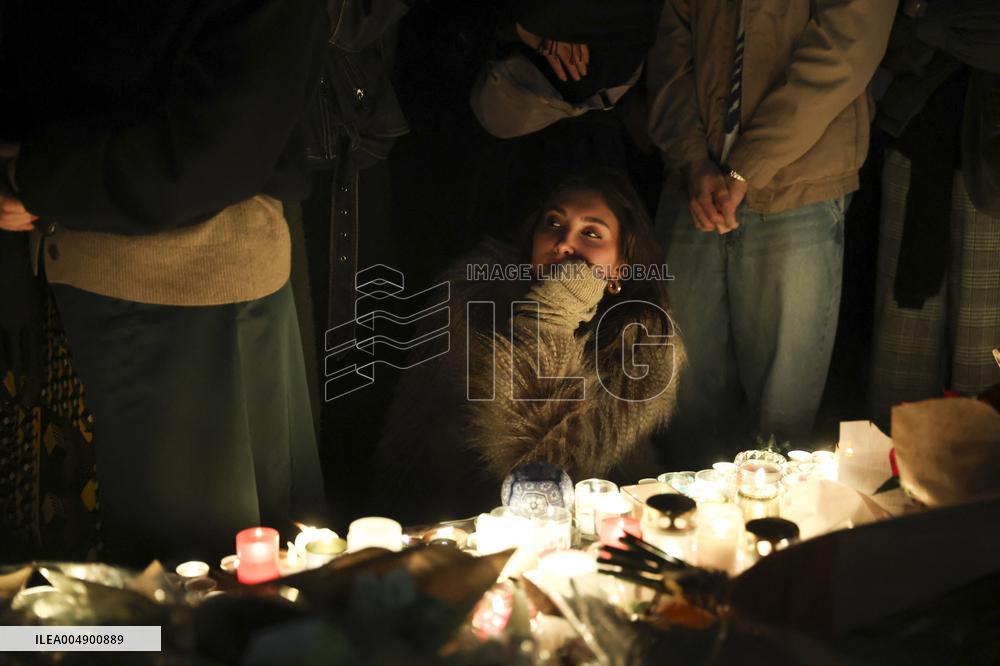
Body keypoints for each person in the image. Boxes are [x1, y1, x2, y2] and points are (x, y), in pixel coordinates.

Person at [0, 0, 327, 564]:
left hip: (182, 286)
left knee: (193, 575)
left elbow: (215, 148)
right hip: (86, 273)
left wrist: (37, 179)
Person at [646, 0, 896, 463]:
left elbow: (846, 45)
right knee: (681, 395)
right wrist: (692, 158)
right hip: (692, 184)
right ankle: (682, 525)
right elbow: (669, 47)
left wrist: (747, 165)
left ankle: (775, 530)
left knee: (781, 419)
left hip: (800, 182)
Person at [371, 170, 683, 524]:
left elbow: (538, 474)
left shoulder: (641, 341)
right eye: (552, 223)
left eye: (591, 233)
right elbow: (409, 454)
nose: (564, 243)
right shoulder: (470, 303)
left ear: (619, 270)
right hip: (456, 522)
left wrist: (549, 318)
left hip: (587, 528)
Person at [868, 0, 1000, 427]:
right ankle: (896, 478)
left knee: (984, 364)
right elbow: (886, 34)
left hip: (990, 172)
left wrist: (931, 19)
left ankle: (979, 486)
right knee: (900, 359)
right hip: (915, 147)